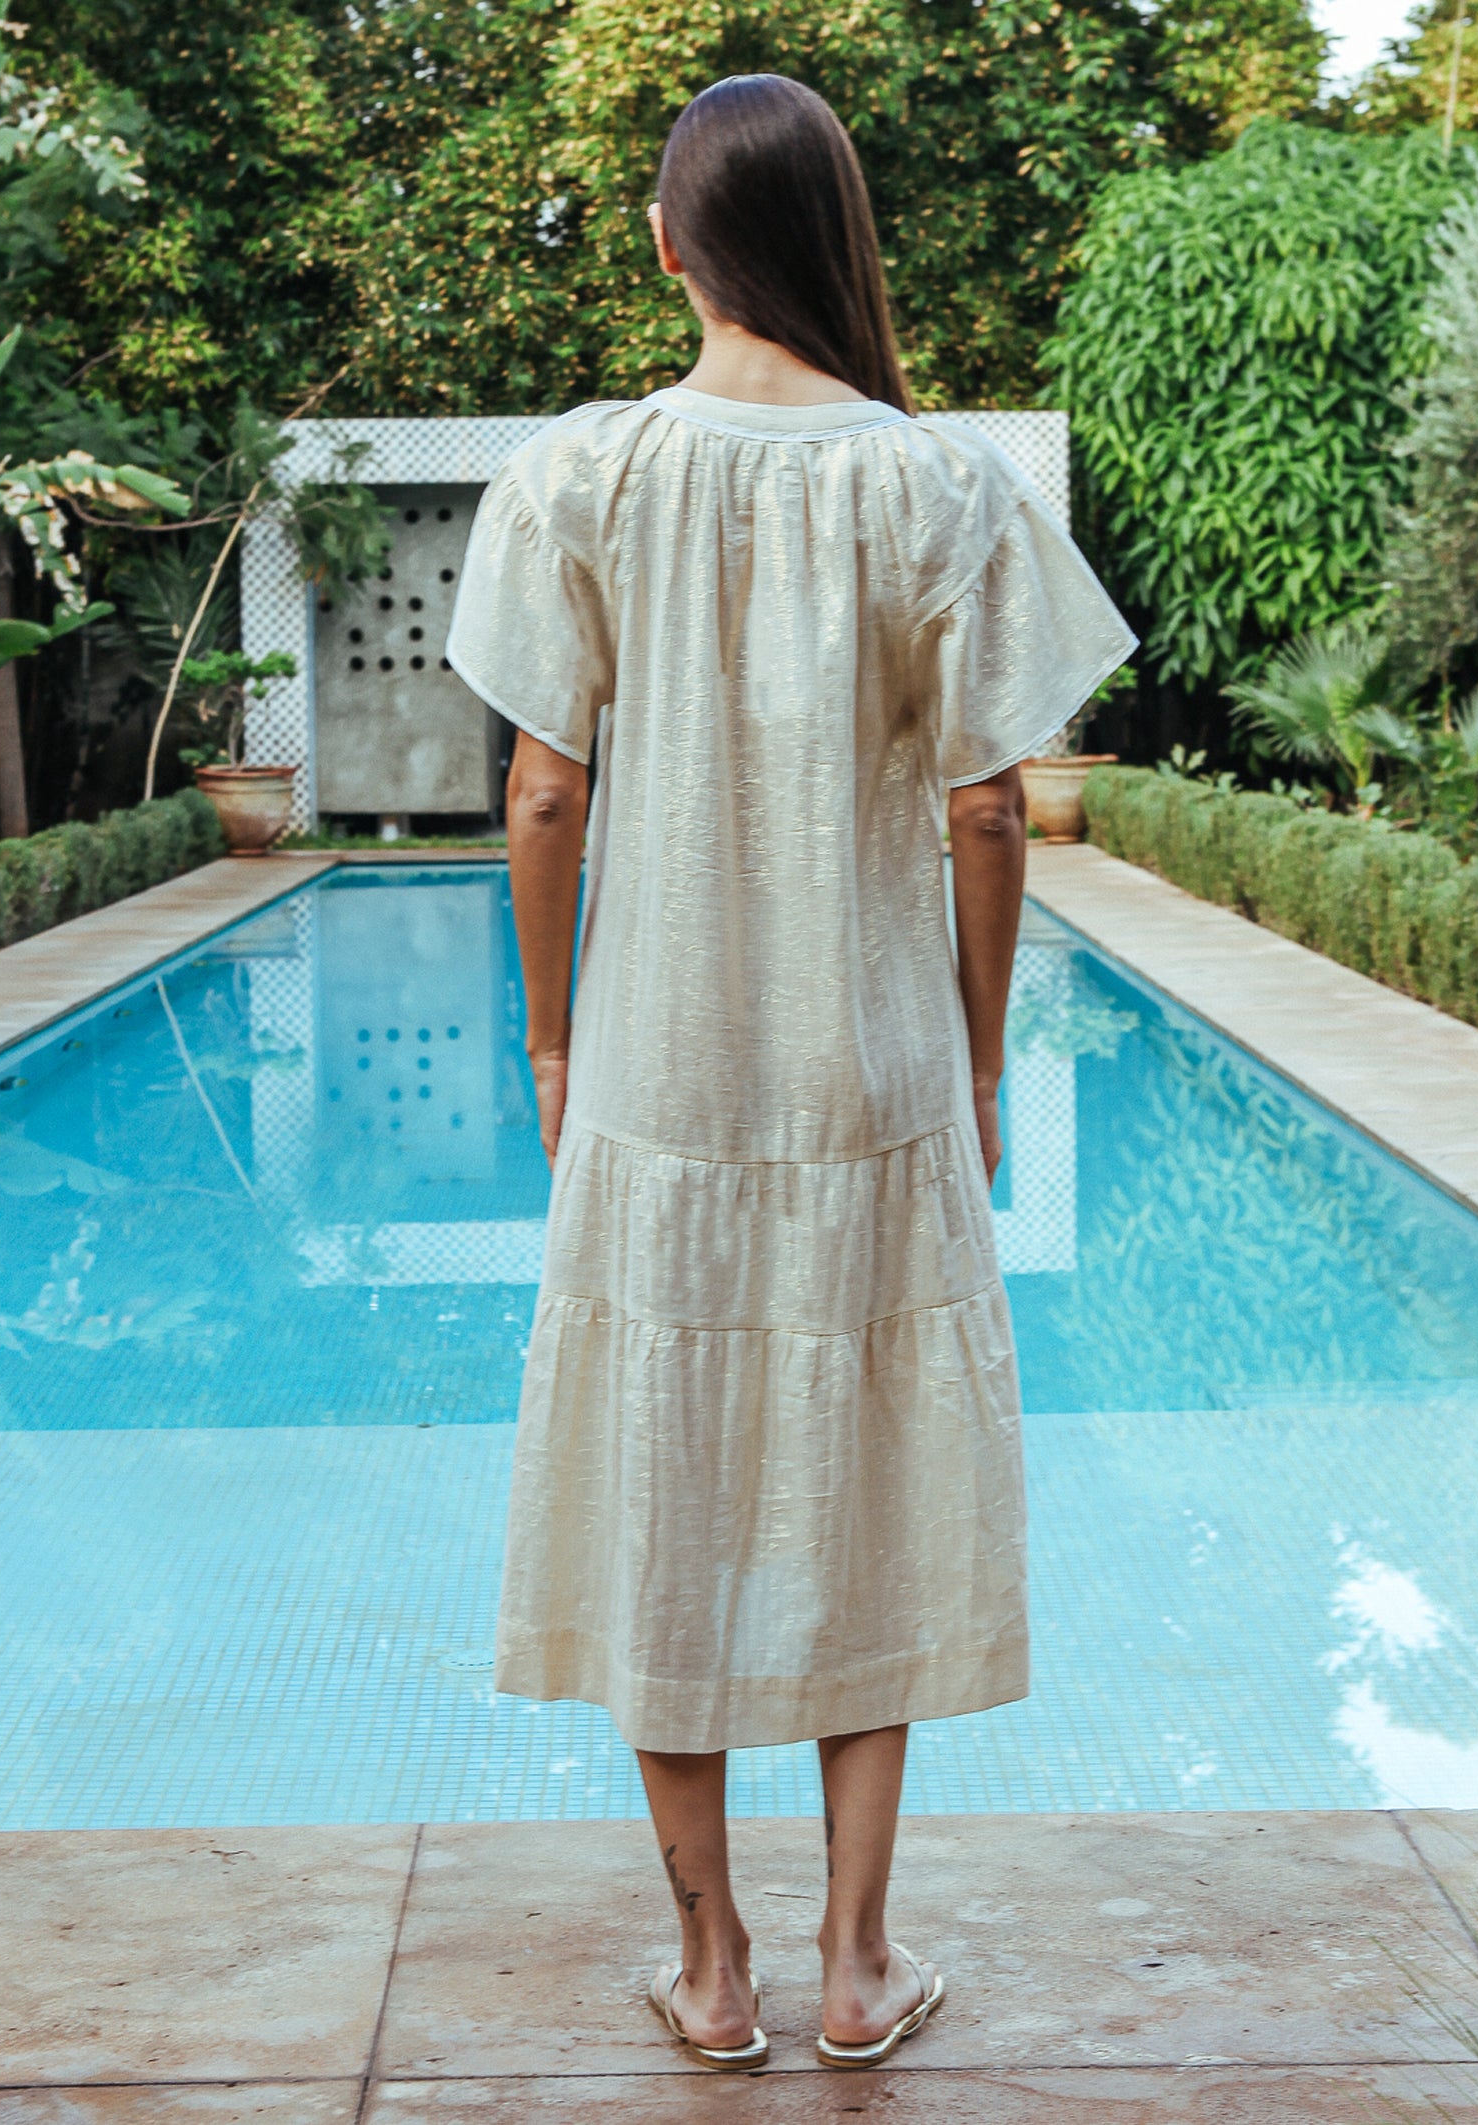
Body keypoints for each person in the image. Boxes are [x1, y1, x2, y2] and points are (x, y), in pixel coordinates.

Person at [445, 72, 1134, 2073]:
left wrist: (552, 1032)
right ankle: (852, 1961)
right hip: (869, 1070)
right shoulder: (930, 484)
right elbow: (990, 810)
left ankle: (712, 1963)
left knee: (659, 1475)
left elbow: (540, 784)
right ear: (837, 246)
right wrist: (983, 1052)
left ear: (668, 249)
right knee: (872, 1475)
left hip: (658, 1070)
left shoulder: (580, 475)